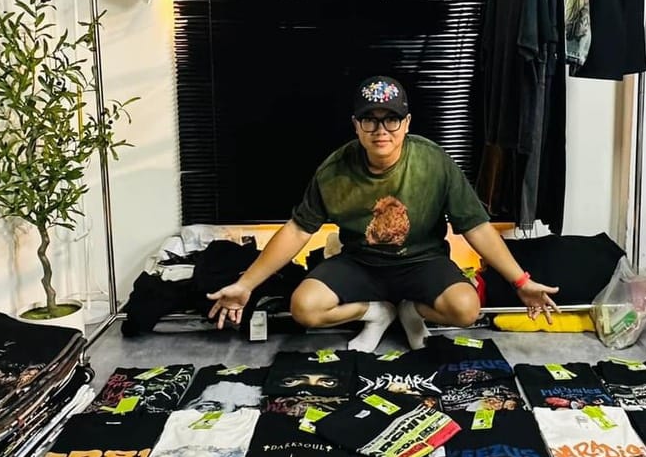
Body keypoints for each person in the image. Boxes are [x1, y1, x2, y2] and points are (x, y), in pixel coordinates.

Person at [208, 76, 560, 352]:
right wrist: (245, 285)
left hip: (422, 261)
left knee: (466, 309)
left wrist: (521, 282)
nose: (381, 131)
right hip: (360, 263)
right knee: (304, 308)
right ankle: (376, 312)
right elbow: (298, 230)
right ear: (356, 125)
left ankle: (411, 310)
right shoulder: (334, 169)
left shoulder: (433, 162)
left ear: (406, 123)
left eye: (391, 120)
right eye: (370, 120)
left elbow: (476, 227)